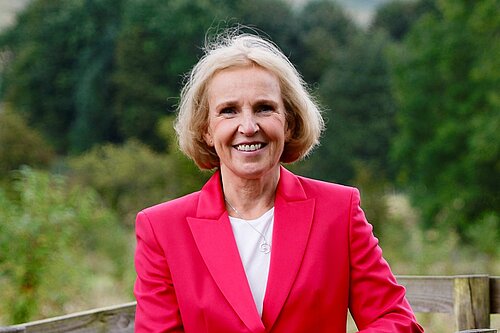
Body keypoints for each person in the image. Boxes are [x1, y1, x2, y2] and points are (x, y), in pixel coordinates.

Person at [133, 31, 424, 333]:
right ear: (206, 129)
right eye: (229, 111)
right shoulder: (162, 229)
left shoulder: (339, 211)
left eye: (264, 108)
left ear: (289, 122)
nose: (248, 126)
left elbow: (394, 319)